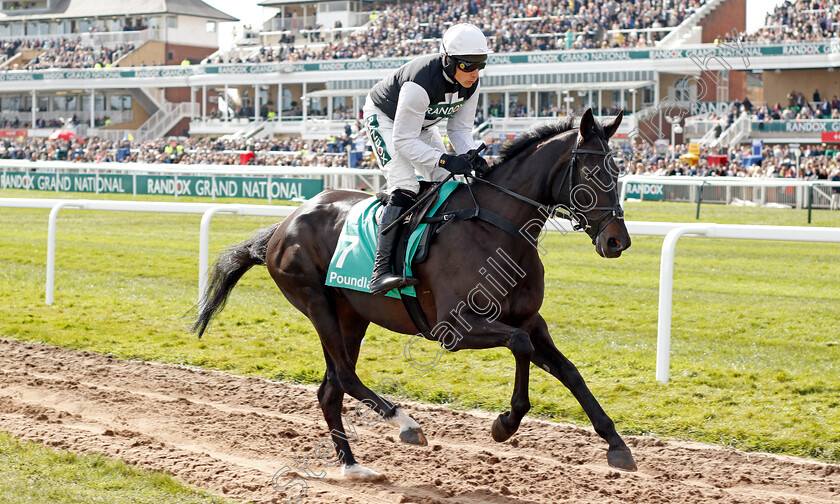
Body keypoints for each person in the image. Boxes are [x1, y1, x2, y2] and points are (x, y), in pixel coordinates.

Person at [362, 23, 492, 295]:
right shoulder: (420, 83)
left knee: (450, 182)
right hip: (385, 120)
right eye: (468, 66)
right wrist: (445, 159)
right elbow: (403, 141)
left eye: (481, 64)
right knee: (405, 185)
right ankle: (381, 271)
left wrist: (470, 156)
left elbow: (459, 130)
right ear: (447, 60)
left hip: (419, 125)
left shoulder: (472, 82)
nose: (475, 73)